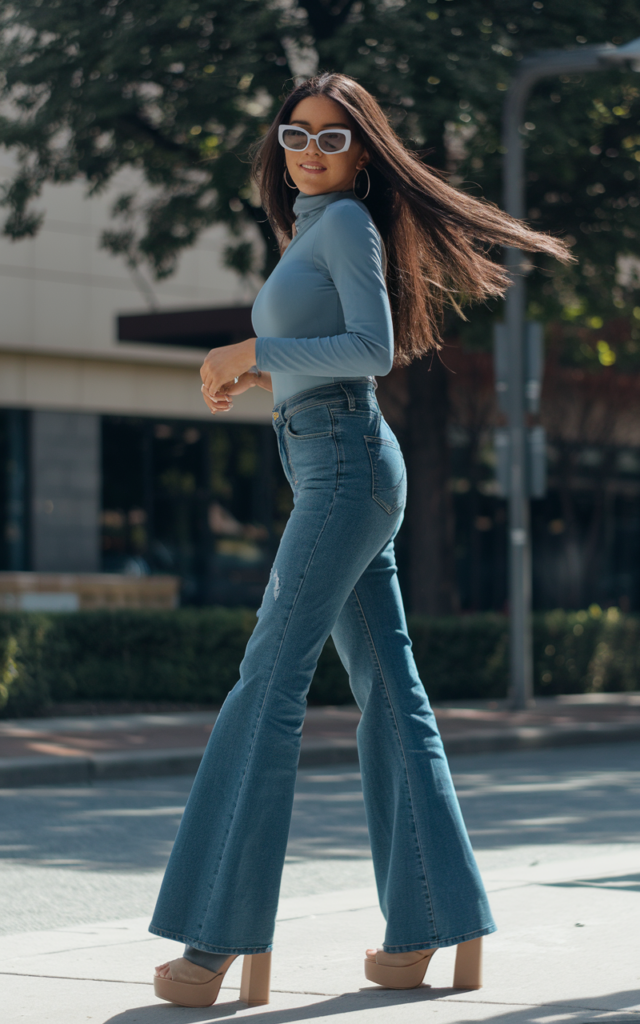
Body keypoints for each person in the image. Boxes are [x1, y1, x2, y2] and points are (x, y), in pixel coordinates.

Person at [150, 72, 572, 1009]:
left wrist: (250, 353)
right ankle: (430, 922)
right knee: (390, 688)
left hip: (343, 462)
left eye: (333, 138)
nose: (309, 150)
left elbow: (373, 350)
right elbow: (329, 352)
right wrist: (265, 378)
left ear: (364, 152)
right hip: (333, 458)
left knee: (269, 681)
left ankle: (214, 939)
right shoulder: (312, 228)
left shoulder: (341, 225)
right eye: (295, 134)